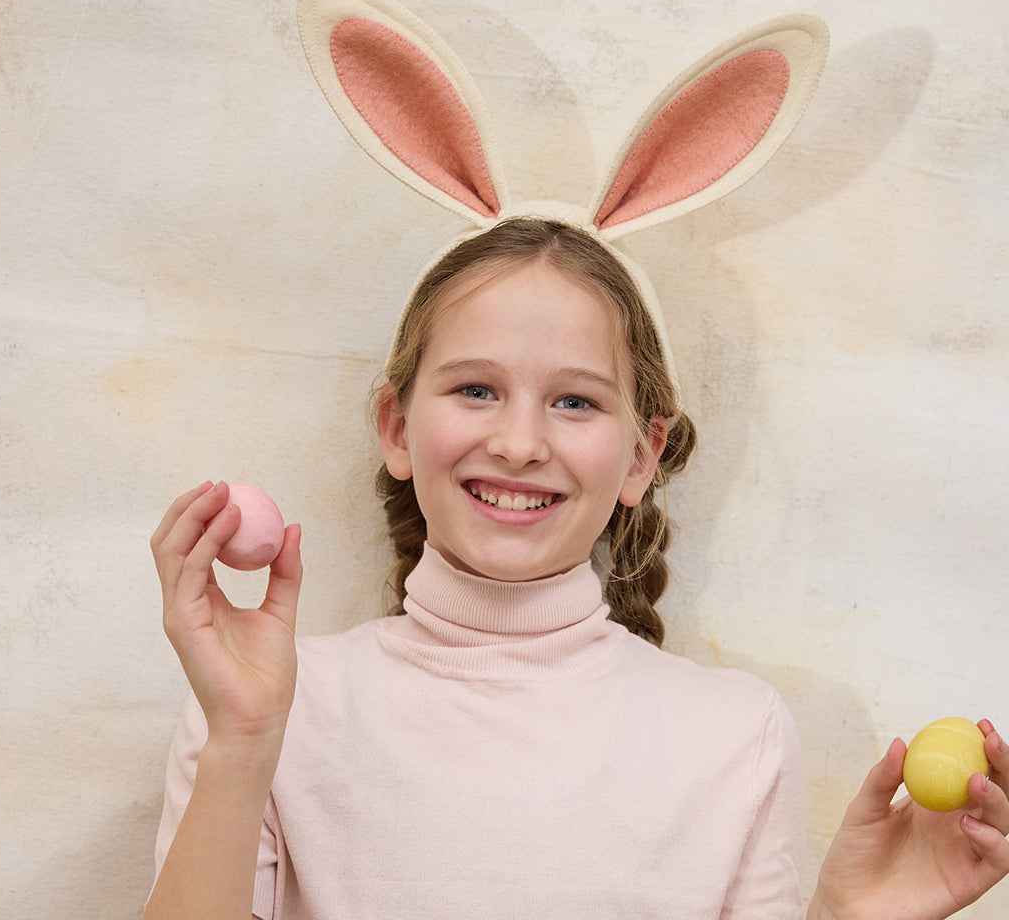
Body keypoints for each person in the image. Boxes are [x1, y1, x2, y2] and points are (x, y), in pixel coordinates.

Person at [145, 218, 1009, 920]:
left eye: (575, 401)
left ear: (641, 457)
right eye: (476, 389)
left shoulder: (734, 735)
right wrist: (246, 741)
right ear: (398, 428)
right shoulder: (269, 711)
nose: (519, 443)